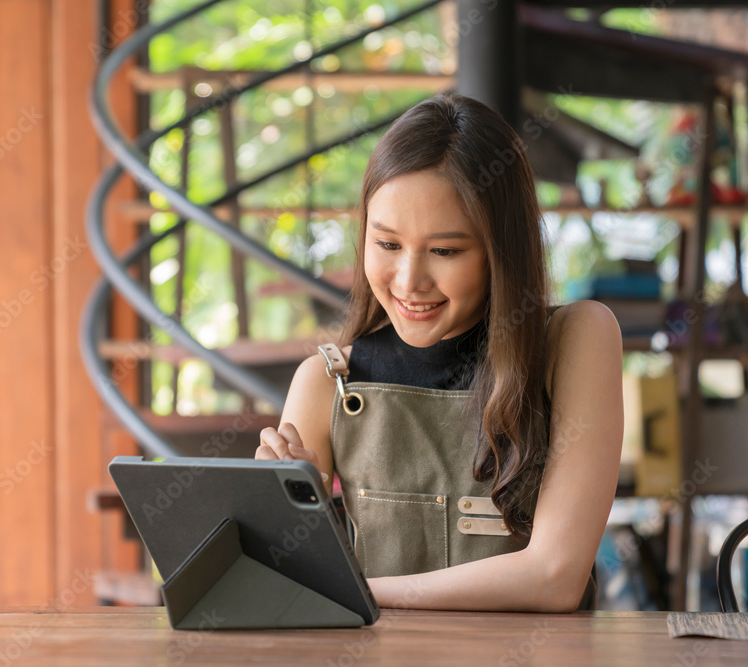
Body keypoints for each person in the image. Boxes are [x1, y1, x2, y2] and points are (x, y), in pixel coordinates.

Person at [255, 93, 623, 612]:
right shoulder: (324, 381)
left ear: (503, 249)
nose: (410, 281)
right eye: (387, 245)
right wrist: (292, 522)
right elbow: (287, 589)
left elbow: (554, 577)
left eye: (446, 251)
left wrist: (357, 594)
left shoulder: (576, 340)